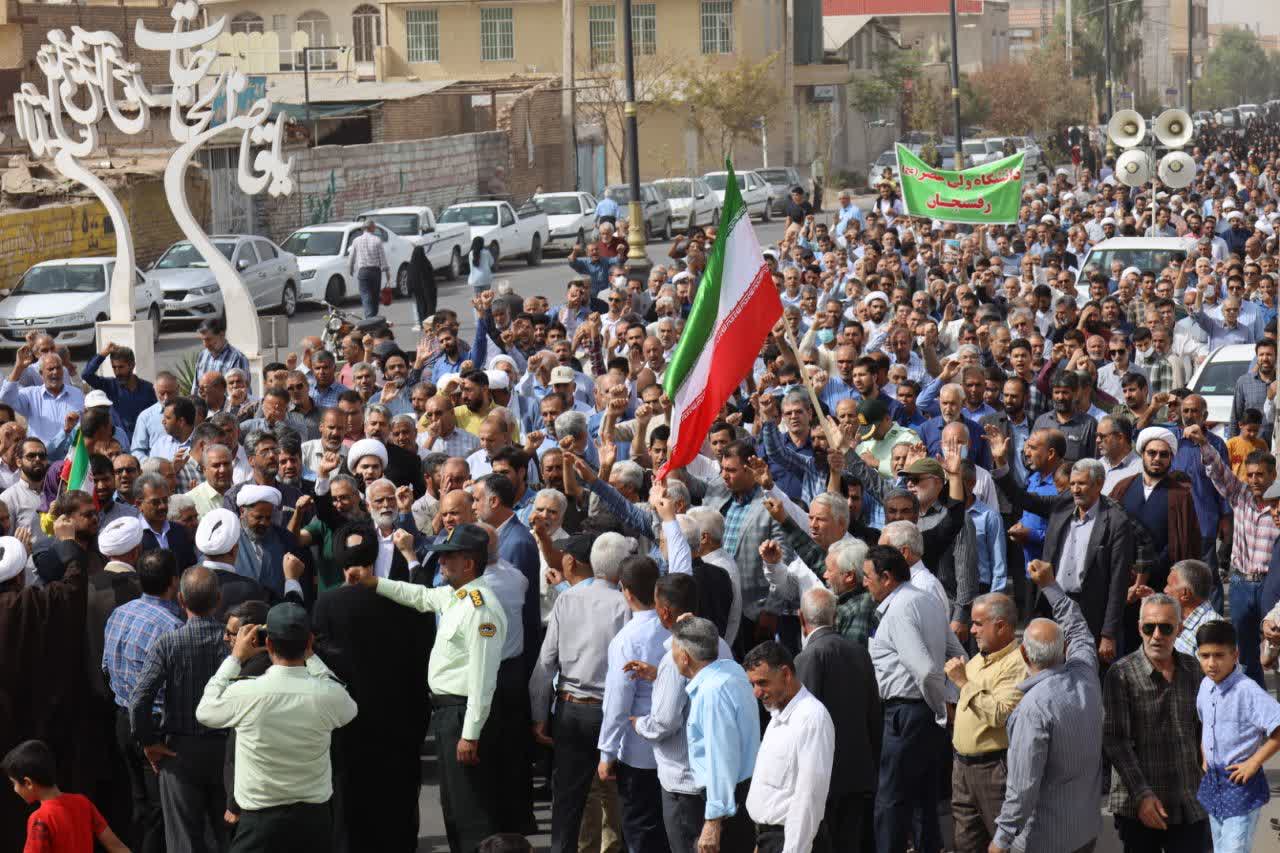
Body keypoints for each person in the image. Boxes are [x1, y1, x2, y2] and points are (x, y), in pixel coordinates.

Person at [348, 523, 508, 853]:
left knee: (471, 811)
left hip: (463, 714)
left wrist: (471, 732)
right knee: (454, 807)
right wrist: (374, 582)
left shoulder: (480, 607)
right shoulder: (458, 596)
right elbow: (419, 596)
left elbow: (482, 676)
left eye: (448, 558)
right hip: (448, 712)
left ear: (468, 563)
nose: (440, 563)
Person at [195, 601, 358, 852]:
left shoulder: (246, 693)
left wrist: (235, 658)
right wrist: (311, 656)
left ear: (268, 644)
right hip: (313, 821)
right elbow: (347, 706)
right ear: (308, 643)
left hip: (259, 822)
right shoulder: (328, 695)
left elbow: (205, 711)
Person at [311, 523, 434, 852]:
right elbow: (425, 641)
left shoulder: (326, 605)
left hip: (348, 726)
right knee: (399, 806)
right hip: (401, 725)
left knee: (350, 806)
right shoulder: (402, 600)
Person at [989, 428, 1133, 663]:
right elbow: (1024, 499)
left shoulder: (1115, 521)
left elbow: (1117, 582)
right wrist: (1002, 463)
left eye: (1082, 484)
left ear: (1099, 485)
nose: (1075, 489)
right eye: (1073, 484)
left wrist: (1108, 633)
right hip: (1052, 603)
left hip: (1089, 611)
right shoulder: (1065, 503)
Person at [991, 558, 1104, 853]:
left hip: (1044, 840)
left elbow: (1023, 786)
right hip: (1085, 831)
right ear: (1064, 649)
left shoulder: (1032, 710)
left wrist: (1001, 839)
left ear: (1024, 657)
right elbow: (1078, 628)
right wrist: (1050, 586)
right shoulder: (1086, 676)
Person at [530, 533, 631, 853]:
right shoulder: (624, 605)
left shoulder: (567, 599)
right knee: (614, 793)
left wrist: (538, 715)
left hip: (570, 708)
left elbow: (545, 664)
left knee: (567, 802)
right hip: (610, 712)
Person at [862, 544, 965, 853]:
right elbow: (959, 655)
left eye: (868, 576)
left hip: (907, 714)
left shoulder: (900, 610)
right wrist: (947, 701)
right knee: (924, 803)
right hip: (924, 713)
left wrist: (941, 708)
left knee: (890, 803)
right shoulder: (928, 602)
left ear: (887, 577)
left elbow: (923, 669)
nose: (864, 582)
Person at [128, 565, 230, 853]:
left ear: (181, 600)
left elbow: (139, 700)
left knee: (183, 840)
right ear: (218, 599)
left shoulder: (168, 643)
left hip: (179, 752)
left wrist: (149, 742)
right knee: (228, 834)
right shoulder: (231, 644)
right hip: (225, 750)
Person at [1102, 592, 1207, 851]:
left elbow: (1204, 727)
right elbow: (1116, 741)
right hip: (1138, 804)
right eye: (1149, 627)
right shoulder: (1121, 674)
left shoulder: (1194, 670)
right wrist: (1142, 795)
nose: (1157, 635)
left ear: (1180, 630)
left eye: (1166, 627)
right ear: (1139, 628)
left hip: (1188, 799)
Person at [1183, 423, 1280, 688]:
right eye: (1250, 475)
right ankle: (1255, 708)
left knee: (1273, 648)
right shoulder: (1241, 496)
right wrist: (1204, 443)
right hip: (1240, 585)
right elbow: (1219, 472)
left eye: (1260, 475)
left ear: (1273, 475)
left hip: (1272, 587)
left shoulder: (1278, 506)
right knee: (1246, 653)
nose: (1254, 480)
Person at [102, 549, 181, 853]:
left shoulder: (120, 613)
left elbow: (106, 667)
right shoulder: (172, 627)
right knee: (159, 813)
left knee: (141, 805)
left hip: (123, 721)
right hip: (154, 730)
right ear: (174, 581)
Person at [793, 587, 880, 853]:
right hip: (859, 771)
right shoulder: (859, 652)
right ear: (835, 617)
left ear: (801, 619)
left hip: (825, 778)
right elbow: (873, 715)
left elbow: (805, 724)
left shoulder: (808, 657)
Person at [670, 616, 759, 853]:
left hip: (725, 800)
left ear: (684, 658)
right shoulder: (732, 669)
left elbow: (721, 758)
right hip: (741, 792)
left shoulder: (712, 693)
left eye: (674, 649)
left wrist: (713, 822)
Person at [598, 555, 669, 853]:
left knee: (640, 831)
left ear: (626, 592)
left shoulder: (627, 639)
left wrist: (607, 752)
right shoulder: (675, 628)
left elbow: (618, 700)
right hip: (675, 748)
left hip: (638, 751)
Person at [945, 592, 1025, 853]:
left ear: (1001, 626)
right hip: (962, 767)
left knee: (1004, 844)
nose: (972, 630)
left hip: (993, 769)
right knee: (966, 844)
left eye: (979, 623)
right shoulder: (978, 659)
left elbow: (999, 714)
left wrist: (962, 682)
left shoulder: (1018, 663)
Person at [1193, 620, 1280, 853]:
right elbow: (1205, 724)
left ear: (1235, 655)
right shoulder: (1205, 686)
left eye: (1219, 655)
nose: (1211, 663)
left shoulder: (1247, 690)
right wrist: (1205, 756)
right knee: (1219, 846)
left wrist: (1253, 763)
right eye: (1205, 655)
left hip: (1240, 785)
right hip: (1214, 782)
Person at [743, 640, 835, 853]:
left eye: (762, 682)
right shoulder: (777, 714)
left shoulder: (812, 718)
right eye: (753, 684)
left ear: (786, 674)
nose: (756, 692)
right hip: (768, 840)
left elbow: (808, 797)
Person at [3, 739, 130, 853]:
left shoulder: (39, 819)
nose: (14, 789)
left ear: (28, 783)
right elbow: (116, 846)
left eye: (14, 783)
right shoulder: (83, 803)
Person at [1164, 559, 1223, 656]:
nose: (1165, 590)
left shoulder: (1213, 631)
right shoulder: (1177, 616)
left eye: (1169, 585)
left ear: (1185, 593)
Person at [350, 219, 391, 317]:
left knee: (365, 294)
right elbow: (382, 257)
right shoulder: (377, 240)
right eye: (374, 227)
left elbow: (352, 257)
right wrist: (387, 272)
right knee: (375, 295)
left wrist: (350, 268)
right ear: (371, 228)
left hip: (363, 271)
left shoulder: (356, 240)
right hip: (375, 271)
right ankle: (372, 316)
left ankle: (370, 316)